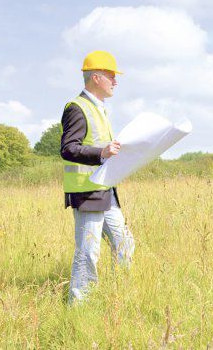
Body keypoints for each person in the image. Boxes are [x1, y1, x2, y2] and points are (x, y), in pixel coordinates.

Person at [60, 50, 135, 304]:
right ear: (95, 77)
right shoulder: (77, 108)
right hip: (87, 192)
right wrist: (101, 152)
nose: (115, 81)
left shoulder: (100, 109)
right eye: (111, 76)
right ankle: (79, 308)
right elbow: (68, 148)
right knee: (88, 253)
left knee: (125, 244)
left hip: (106, 192)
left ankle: (119, 297)